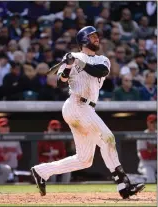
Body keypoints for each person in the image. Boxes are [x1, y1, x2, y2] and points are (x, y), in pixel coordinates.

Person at [31, 26, 145, 199]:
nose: (97, 39)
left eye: (96, 36)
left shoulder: (102, 59)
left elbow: (100, 71)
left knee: (84, 159)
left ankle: (41, 171)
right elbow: (61, 83)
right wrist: (68, 66)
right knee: (107, 138)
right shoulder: (72, 57)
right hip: (76, 104)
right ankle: (124, 185)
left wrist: (78, 63)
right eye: (92, 37)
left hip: (86, 108)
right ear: (84, 39)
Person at [0, 117, 22, 182]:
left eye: (6, 126)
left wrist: (13, 156)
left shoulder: (15, 139)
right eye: (3, 126)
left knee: (15, 182)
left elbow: (20, 155)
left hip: (13, 168)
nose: (5, 128)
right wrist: (1, 157)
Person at [137, 114, 157, 183]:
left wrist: (151, 150)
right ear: (148, 123)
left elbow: (149, 152)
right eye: (152, 122)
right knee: (151, 180)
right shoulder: (143, 135)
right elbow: (145, 155)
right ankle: (134, 179)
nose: (154, 124)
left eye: (156, 122)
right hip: (146, 163)